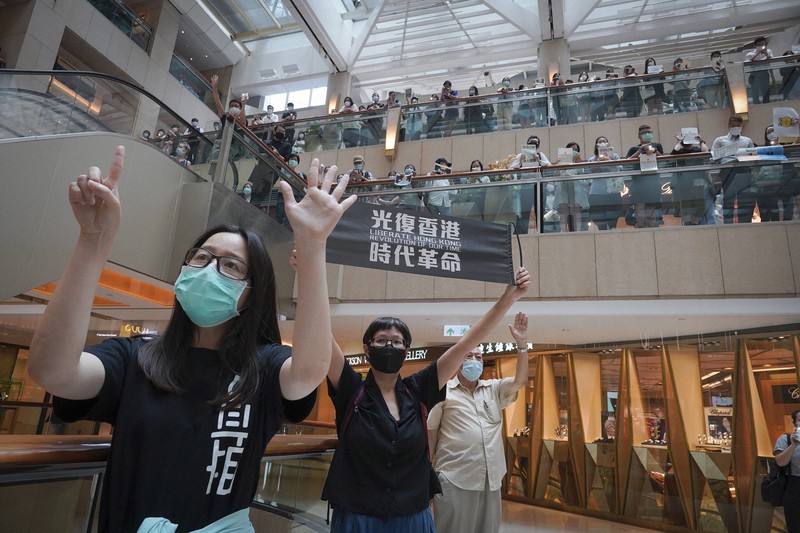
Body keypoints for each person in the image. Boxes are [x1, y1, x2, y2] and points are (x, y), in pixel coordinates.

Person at [26, 146, 357, 532]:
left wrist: (314, 247)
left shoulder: (263, 368)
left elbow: (309, 371)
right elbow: (51, 371)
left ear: (253, 293)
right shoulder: (135, 358)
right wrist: (93, 241)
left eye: (231, 265)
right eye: (201, 258)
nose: (209, 269)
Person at [322, 267, 531, 532]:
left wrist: (507, 299)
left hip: (413, 514)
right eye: (381, 340)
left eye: (397, 342)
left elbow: (468, 342)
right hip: (358, 515)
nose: (389, 347)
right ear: (366, 350)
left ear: (407, 350)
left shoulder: (419, 389)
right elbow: (320, 330)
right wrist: (310, 266)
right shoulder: (352, 389)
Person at [427, 312, 529, 533]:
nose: (474, 361)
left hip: (490, 480)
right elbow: (431, 434)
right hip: (454, 479)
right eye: (468, 356)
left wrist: (522, 345)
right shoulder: (444, 391)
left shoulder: (493, 389)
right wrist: (427, 472)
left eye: (479, 357)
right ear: (458, 360)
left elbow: (520, 381)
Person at [712, 115, 756, 224]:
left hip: (744, 170)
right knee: (728, 199)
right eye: (733, 126)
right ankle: (728, 223)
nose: (735, 128)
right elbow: (713, 157)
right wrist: (726, 153)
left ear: (741, 126)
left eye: (738, 126)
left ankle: (745, 223)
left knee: (744, 198)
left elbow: (754, 156)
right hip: (727, 170)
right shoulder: (720, 140)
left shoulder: (747, 140)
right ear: (728, 126)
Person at [670, 131, 713, 225]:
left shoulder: (697, 150)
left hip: (701, 186)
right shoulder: (679, 152)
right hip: (685, 188)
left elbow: (706, 152)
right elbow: (673, 154)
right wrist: (680, 142)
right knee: (688, 216)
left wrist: (701, 141)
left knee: (707, 212)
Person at [511, 135, 551, 234]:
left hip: (539, 185)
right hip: (526, 186)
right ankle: (522, 233)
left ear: (538, 147)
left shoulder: (540, 155)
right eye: (530, 145)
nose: (533, 147)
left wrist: (539, 161)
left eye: (535, 145)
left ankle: (541, 232)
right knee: (525, 211)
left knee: (540, 210)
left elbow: (549, 165)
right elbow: (512, 167)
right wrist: (520, 161)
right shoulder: (520, 155)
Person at [626, 124, 664, 228]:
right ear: (639, 136)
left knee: (651, 209)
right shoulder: (634, 148)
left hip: (653, 182)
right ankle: (641, 228)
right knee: (639, 207)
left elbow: (664, 161)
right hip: (638, 182)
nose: (647, 134)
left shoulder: (657, 146)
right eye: (644, 133)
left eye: (649, 132)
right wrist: (640, 151)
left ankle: (652, 228)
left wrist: (655, 151)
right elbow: (627, 163)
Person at [587, 136, 624, 230]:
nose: (603, 143)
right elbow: (590, 174)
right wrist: (598, 162)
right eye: (600, 142)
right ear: (596, 145)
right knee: (599, 220)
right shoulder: (592, 159)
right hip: (597, 193)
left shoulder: (615, 156)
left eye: (605, 141)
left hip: (612, 192)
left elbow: (620, 170)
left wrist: (609, 161)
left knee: (613, 219)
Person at [553, 142, 590, 232]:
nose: (574, 151)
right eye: (572, 149)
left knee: (576, 212)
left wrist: (579, 162)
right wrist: (558, 164)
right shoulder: (561, 160)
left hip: (575, 188)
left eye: (576, 150)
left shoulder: (578, 161)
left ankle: (577, 231)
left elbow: (582, 175)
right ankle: (563, 232)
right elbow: (556, 175)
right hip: (563, 187)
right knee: (564, 212)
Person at [774, 409, 800, 532]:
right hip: (794, 486)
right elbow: (780, 461)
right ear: (795, 423)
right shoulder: (786, 439)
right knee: (795, 525)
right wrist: (793, 444)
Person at [745, 36, 773, 104]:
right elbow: (748, 65)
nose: (761, 46)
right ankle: (756, 104)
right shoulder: (750, 54)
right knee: (755, 91)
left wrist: (766, 54)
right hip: (754, 74)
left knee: (766, 91)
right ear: (755, 45)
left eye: (762, 44)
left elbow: (771, 60)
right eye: (759, 45)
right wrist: (757, 54)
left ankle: (766, 104)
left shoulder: (769, 51)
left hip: (764, 73)